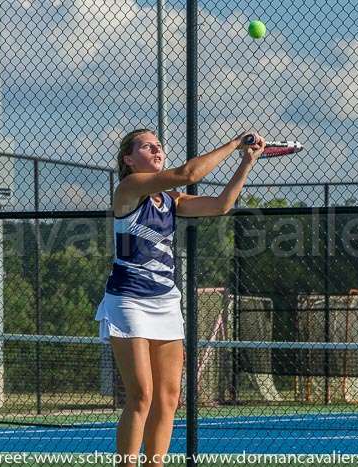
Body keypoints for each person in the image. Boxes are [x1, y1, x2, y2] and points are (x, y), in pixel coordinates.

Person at [95, 129, 265, 466]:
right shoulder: (128, 189)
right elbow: (189, 173)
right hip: (128, 300)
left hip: (165, 303)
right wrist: (234, 143)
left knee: (169, 397)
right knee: (141, 395)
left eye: (159, 146)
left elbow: (221, 205)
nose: (157, 149)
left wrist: (246, 162)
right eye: (147, 146)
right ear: (128, 159)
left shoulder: (171, 200)